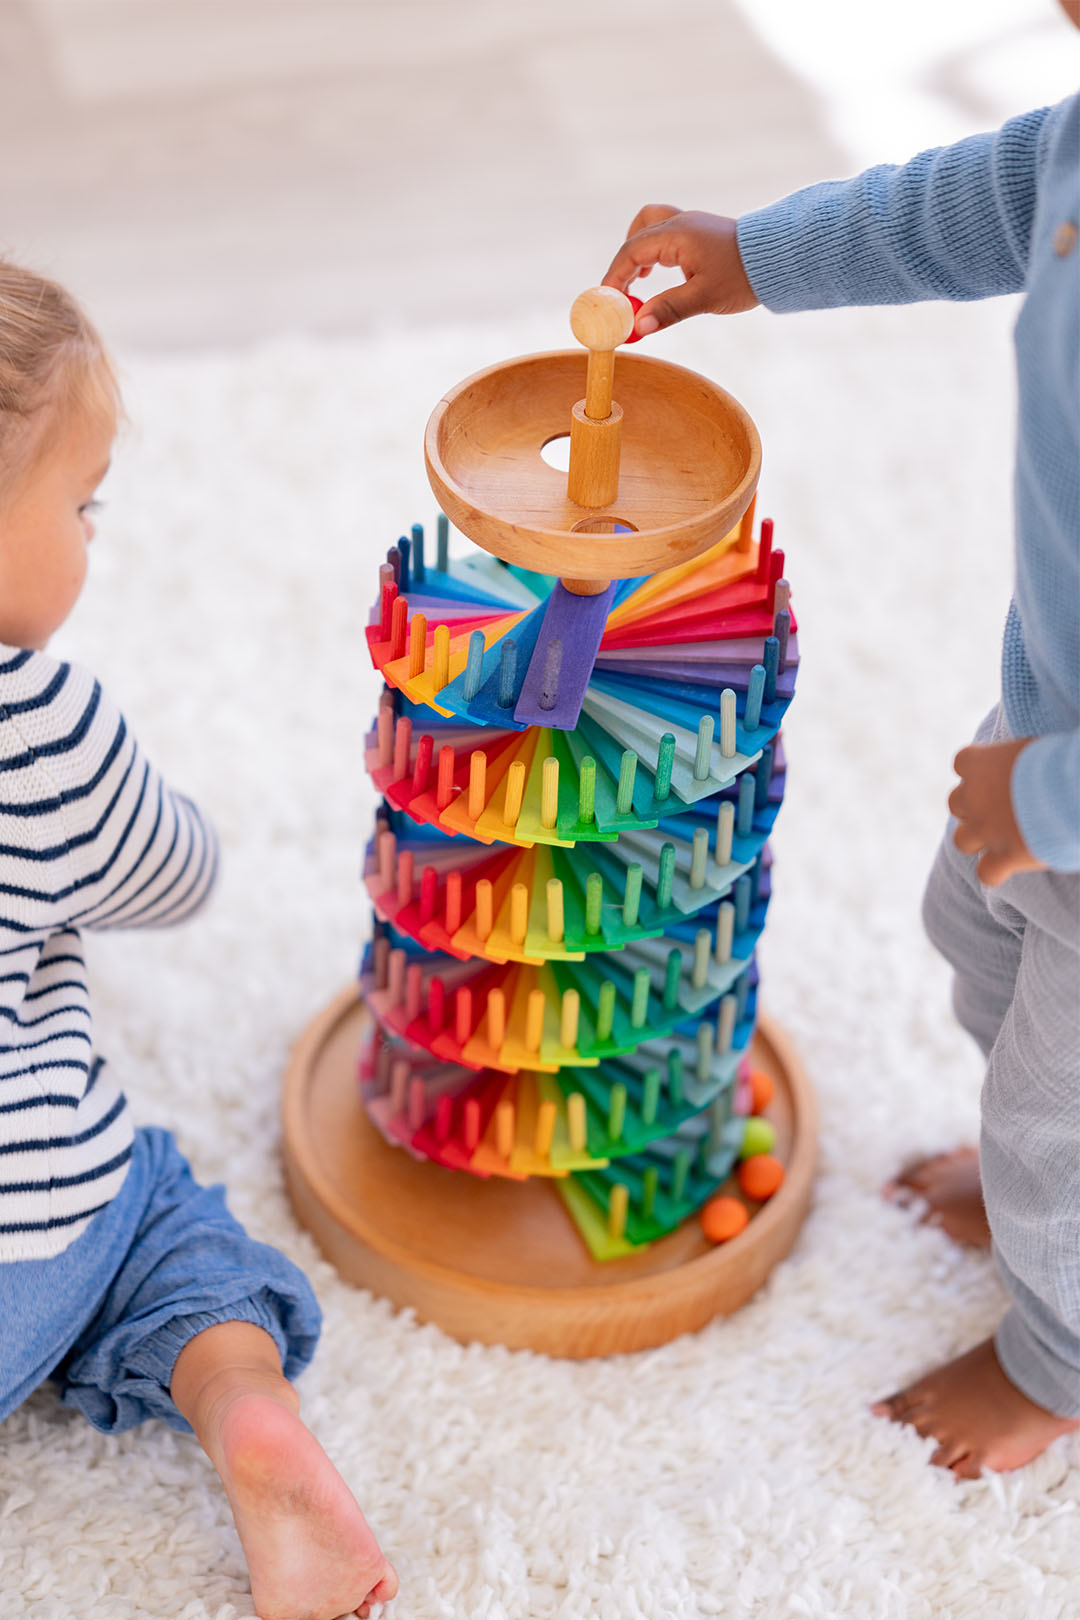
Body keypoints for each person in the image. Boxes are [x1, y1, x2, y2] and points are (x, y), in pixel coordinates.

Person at [602, 54, 1079, 1477]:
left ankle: (1057, 1360)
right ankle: (1038, 1185)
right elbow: (981, 196)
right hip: (1044, 722)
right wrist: (759, 255)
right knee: (978, 949)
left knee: (1057, 1118)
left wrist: (1051, 798)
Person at [0, 257, 397, 1619]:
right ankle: (240, 1402)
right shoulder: (38, 726)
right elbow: (172, 876)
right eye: (82, 504)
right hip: (23, 1235)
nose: (92, 534)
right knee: (155, 1220)